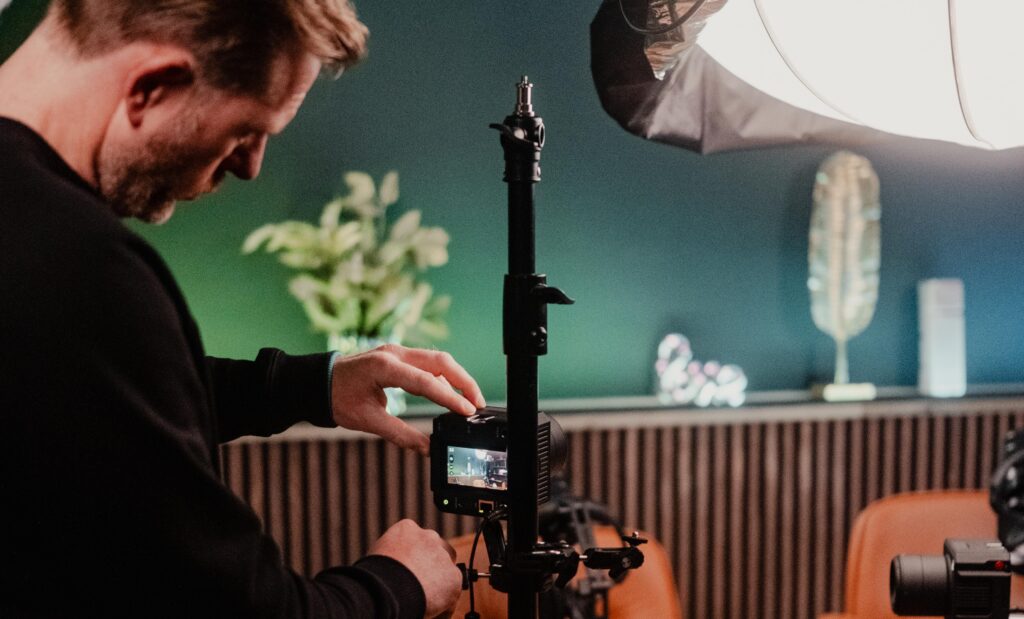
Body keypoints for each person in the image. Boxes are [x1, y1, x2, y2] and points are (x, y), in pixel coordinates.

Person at [0, 1, 485, 617]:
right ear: (153, 87)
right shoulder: (85, 270)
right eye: (246, 131)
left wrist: (311, 386)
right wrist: (397, 583)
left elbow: (94, 400)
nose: (251, 166)